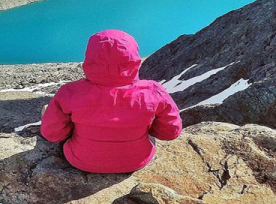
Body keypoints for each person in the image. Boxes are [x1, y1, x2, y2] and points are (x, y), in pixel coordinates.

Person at [40, 29, 182, 173]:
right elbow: (170, 132)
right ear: (133, 58)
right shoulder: (153, 90)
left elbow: (53, 134)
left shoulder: (70, 92)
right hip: (136, 160)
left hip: (80, 160)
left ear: (90, 58)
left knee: (48, 112)